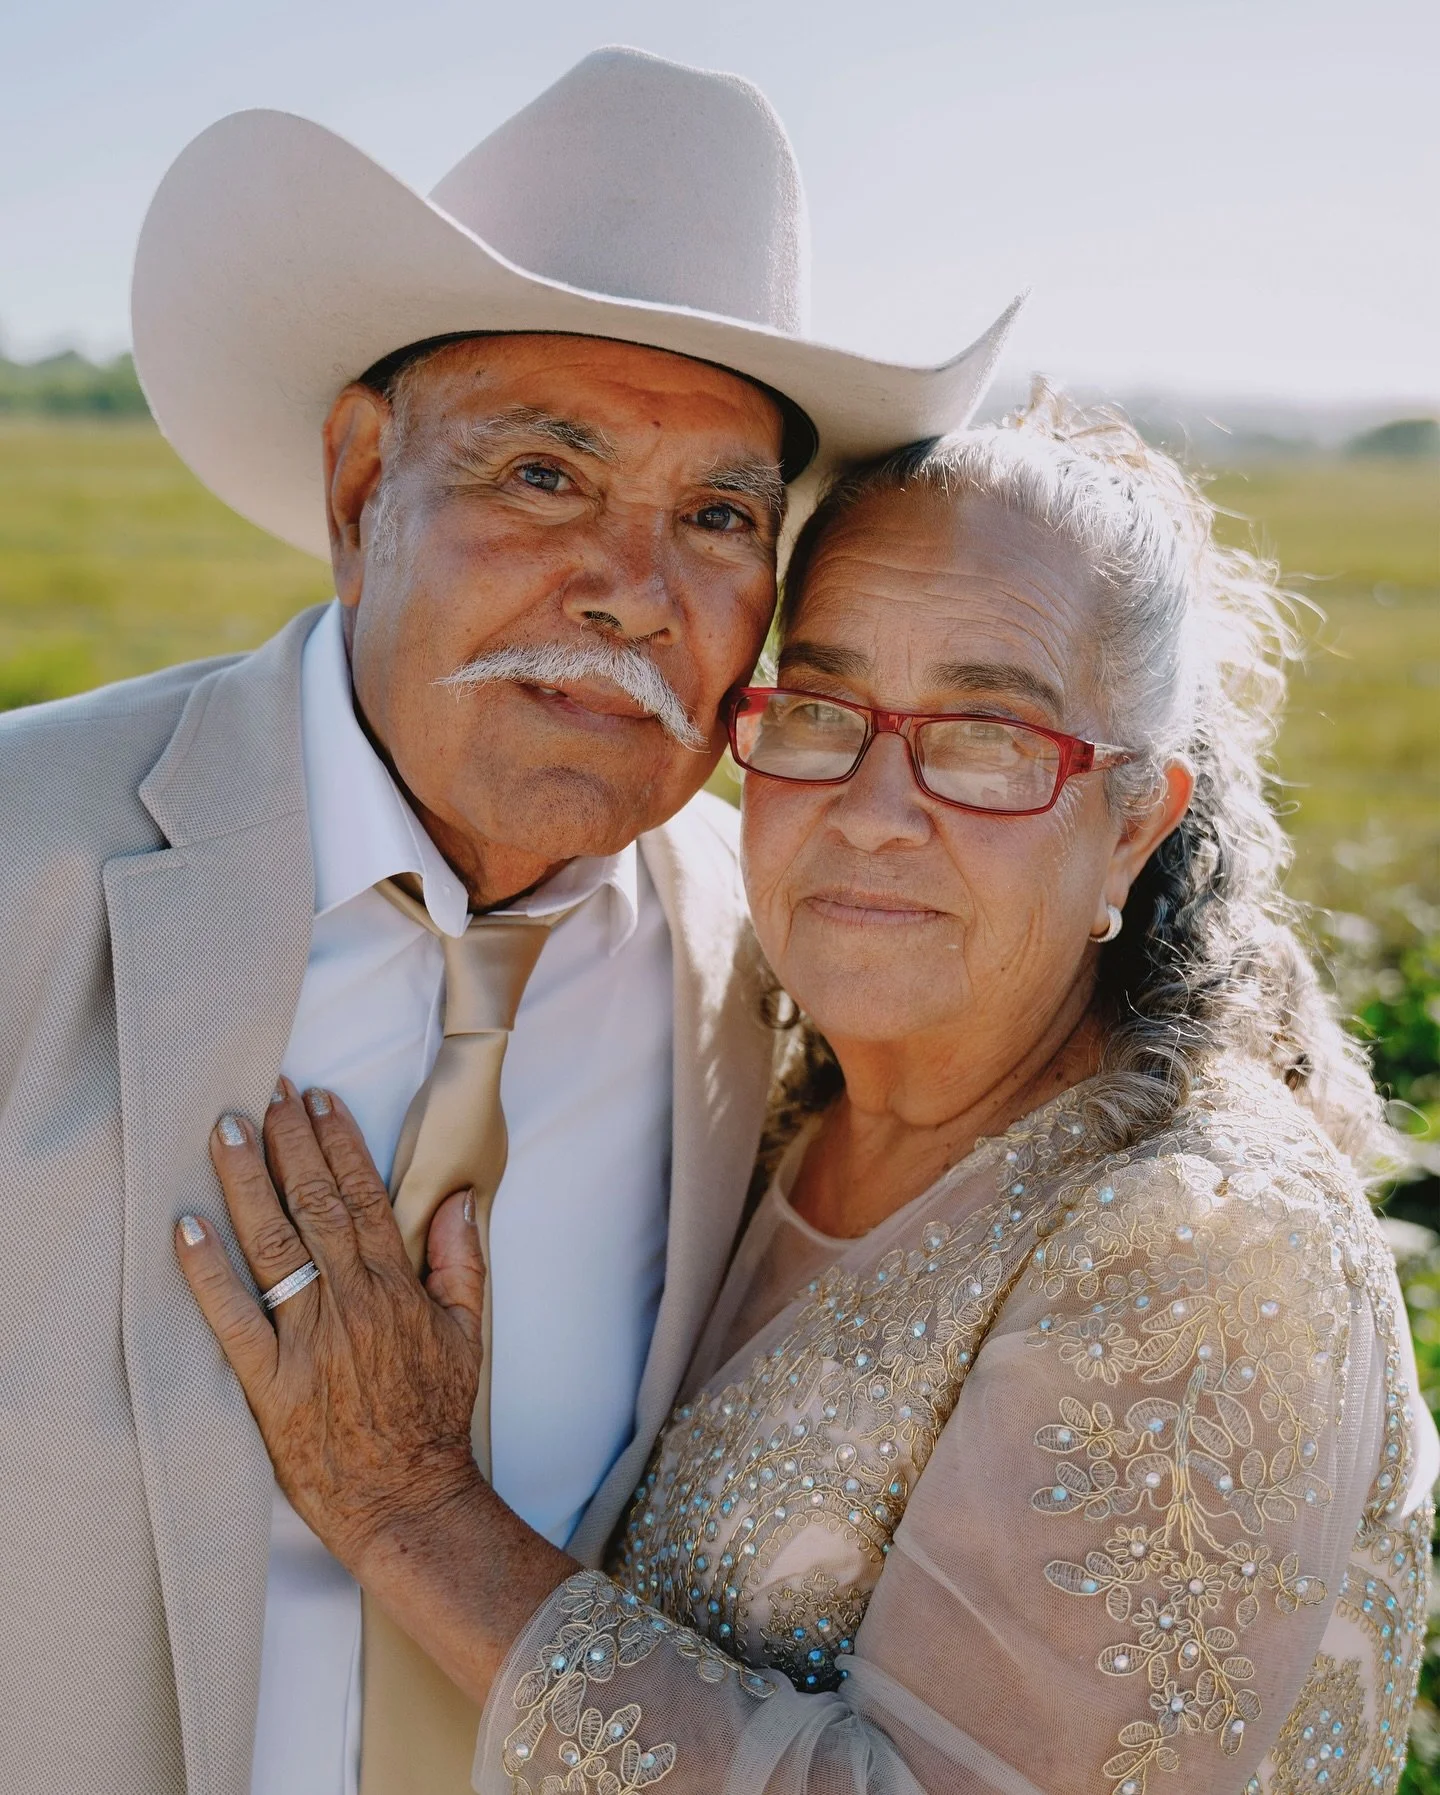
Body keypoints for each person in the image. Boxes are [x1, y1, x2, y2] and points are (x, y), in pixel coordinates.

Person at [0, 46, 1021, 1795]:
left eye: (718, 515)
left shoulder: (765, 968)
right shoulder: (29, 859)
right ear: (355, 487)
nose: (633, 583)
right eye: (545, 475)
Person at [183, 389, 1438, 1794]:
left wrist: (408, 1502)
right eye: (825, 706)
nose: (875, 806)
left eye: (987, 736)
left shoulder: (1206, 1237)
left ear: (1132, 822)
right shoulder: (771, 1083)